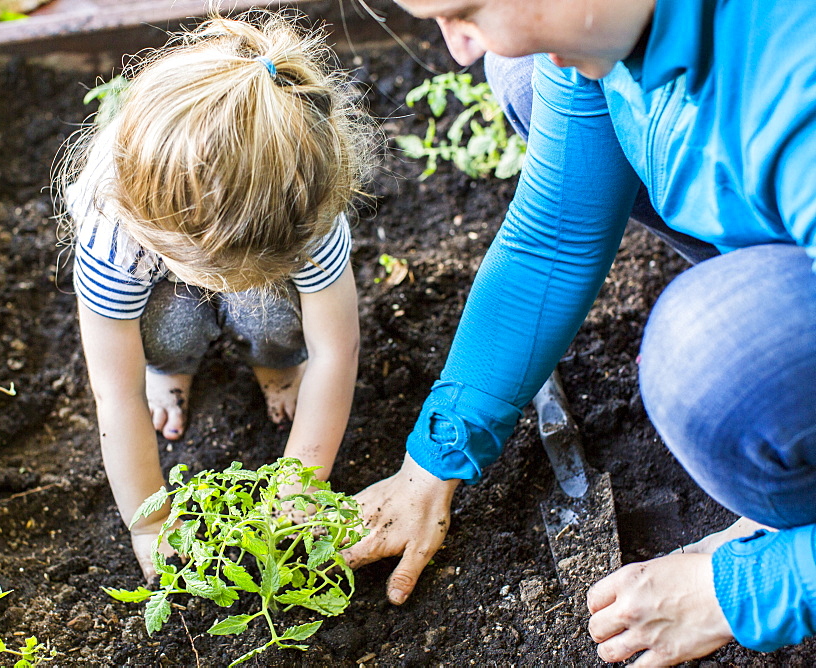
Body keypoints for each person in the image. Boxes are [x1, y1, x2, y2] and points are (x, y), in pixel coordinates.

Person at [343, 0, 816, 665]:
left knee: (712, 358)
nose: (458, 50)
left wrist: (757, 584)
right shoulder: (603, 19)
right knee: (523, 72)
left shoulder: (798, 83)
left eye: (465, 11)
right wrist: (435, 457)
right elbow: (554, 234)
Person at [58, 12, 371, 581]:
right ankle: (172, 370)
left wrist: (299, 487)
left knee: (274, 313)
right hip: (157, 276)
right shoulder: (116, 230)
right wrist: (149, 523)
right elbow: (114, 391)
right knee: (168, 326)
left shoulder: (306, 205)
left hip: (245, 252)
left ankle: (276, 366)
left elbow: (336, 350)